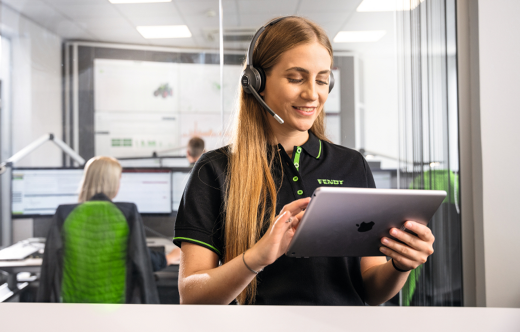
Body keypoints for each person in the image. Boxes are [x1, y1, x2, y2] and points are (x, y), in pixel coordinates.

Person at [173, 16, 435, 305]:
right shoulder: (215, 170)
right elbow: (191, 295)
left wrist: (400, 265)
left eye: (322, 80)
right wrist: (257, 257)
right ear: (256, 82)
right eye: (296, 78)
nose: (312, 94)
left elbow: (370, 292)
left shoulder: (351, 165)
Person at [37, 156, 179, 303]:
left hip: (73, 308)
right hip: (116, 309)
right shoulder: (126, 214)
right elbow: (142, 259)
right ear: (113, 183)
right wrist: (170, 257)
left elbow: (49, 268)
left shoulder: (65, 215)